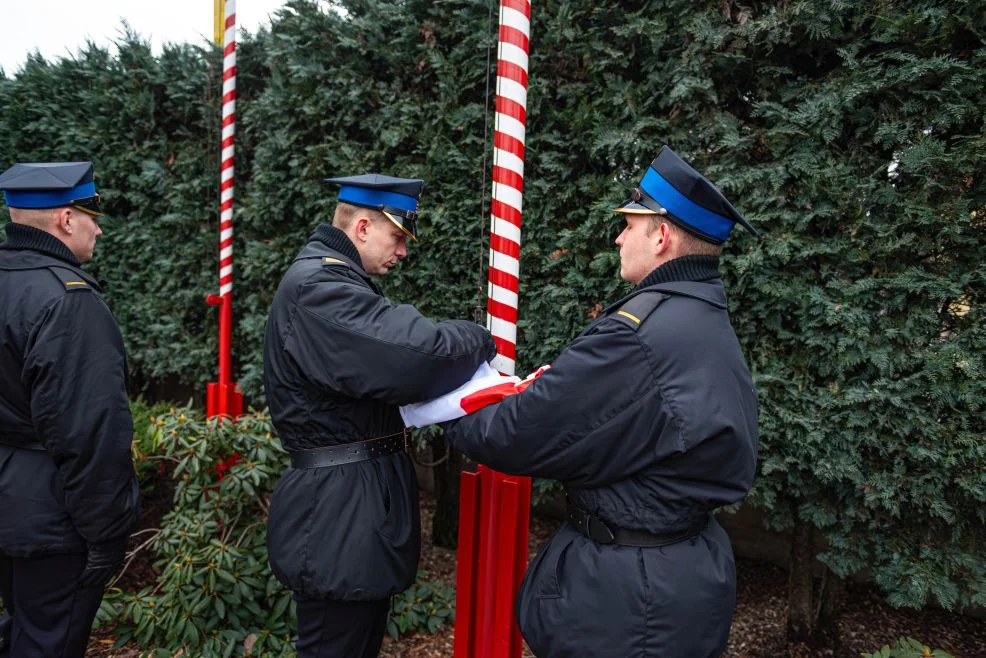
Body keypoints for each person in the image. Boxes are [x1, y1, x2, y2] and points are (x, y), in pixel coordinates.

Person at [442, 145, 760, 657]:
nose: (618, 237)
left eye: (629, 225)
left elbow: (521, 433)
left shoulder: (641, 334)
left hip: (628, 602)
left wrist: (450, 408)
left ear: (661, 236)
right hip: (680, 574)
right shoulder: (702, 319)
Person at [262, 173, 496, 657]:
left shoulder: (332, 281)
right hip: (338, 509)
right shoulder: (321, 288)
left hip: (346, 504)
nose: (403, 252)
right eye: (398, 237)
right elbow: (417, 354)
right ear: (363, 226)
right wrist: (479, 338)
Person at [0, 161, 140, 658]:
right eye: (91, 215)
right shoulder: (68, 301)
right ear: (65, 220)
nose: (98, 228)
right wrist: (106, 533)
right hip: (52, 519)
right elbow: (92, 432)